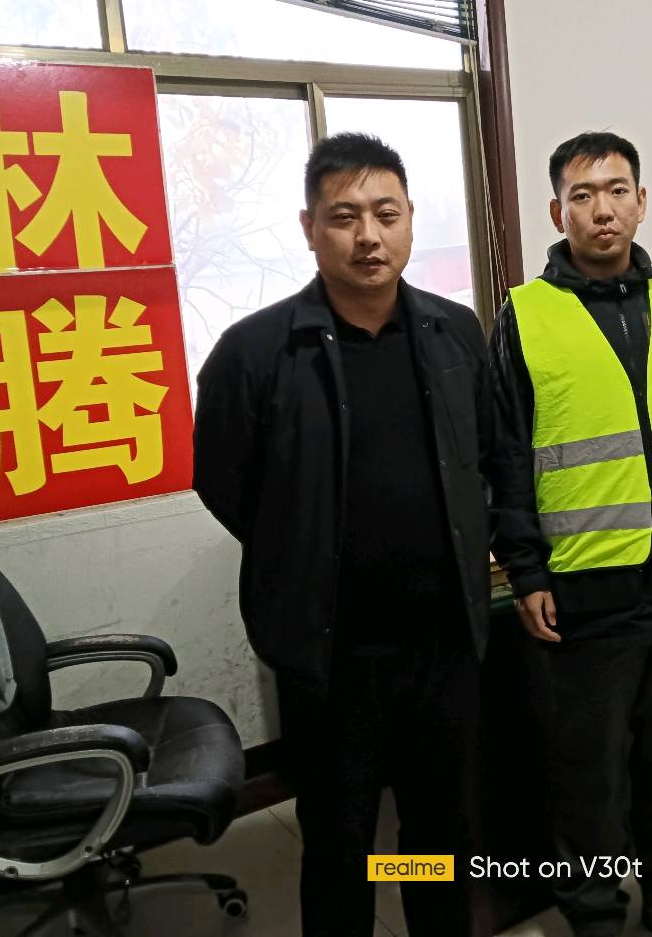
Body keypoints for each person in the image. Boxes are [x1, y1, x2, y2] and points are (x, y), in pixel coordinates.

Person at [193, 133, 491, 937]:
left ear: (410, 219)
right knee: (339, 838)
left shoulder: (455, 333)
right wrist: (306, 548)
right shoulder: (257, 351)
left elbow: (487, 457)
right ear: (309, 227)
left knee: (438, 836)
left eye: (385, 214)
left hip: (443, 645)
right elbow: (223, 482)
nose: (368, 236)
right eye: (344, 216)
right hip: (331, 657)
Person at [489, 131, 652, 937]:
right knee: (589, 771)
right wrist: (527, 570)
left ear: (642, 202)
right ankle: (595, 916)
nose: (601, 209)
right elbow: (506, 454)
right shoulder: (525, 315)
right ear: (557, 212)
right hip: (586, 580)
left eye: (615, 191)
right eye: (582, 195)